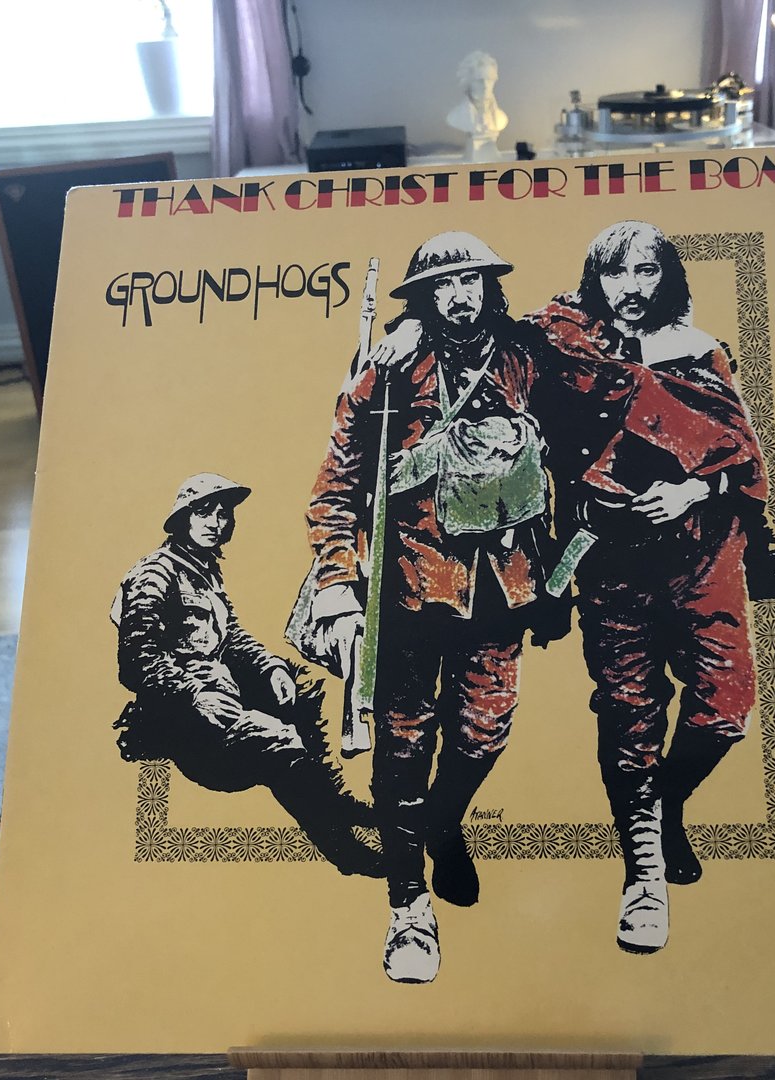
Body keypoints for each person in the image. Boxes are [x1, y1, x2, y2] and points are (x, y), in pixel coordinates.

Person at [522, 221, 775, 954]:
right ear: (596, 280)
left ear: (667, 276)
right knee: (628, 713)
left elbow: (745, 463)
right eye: (617, 272)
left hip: (702, 557)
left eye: (646, 270)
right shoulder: (567, 352)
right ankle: (643, 872)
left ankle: (665, 805)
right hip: (611, 562)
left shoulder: (700, 351)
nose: (632, 287)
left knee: (726, 709)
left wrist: (690, 491)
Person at [307, 232, 554, 984]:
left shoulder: (525, 357)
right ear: (422, 297)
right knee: (403, 747)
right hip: (409, 590)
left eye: (471, 281)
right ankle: (408, 905)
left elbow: (584, 325)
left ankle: (443, 824)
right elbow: (337, 486)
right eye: (442, 286)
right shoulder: (386, 372)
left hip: (501, 587)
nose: (459, 296)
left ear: (489, 287)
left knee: (484, 732)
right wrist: (337, 581)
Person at [111, 472, 381, 878]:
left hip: (220, 693)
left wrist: (270, 667)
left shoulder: (203, 570)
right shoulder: (155, 574)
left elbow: (232, 637)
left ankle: (331, 801)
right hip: (180, 716)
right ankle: (344, 849)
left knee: (296, 690)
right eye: (204, 512)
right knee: (280, 739)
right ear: (182, 518)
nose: (216, 522)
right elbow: (136, 659)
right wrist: (192, 695)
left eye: (224, 514)